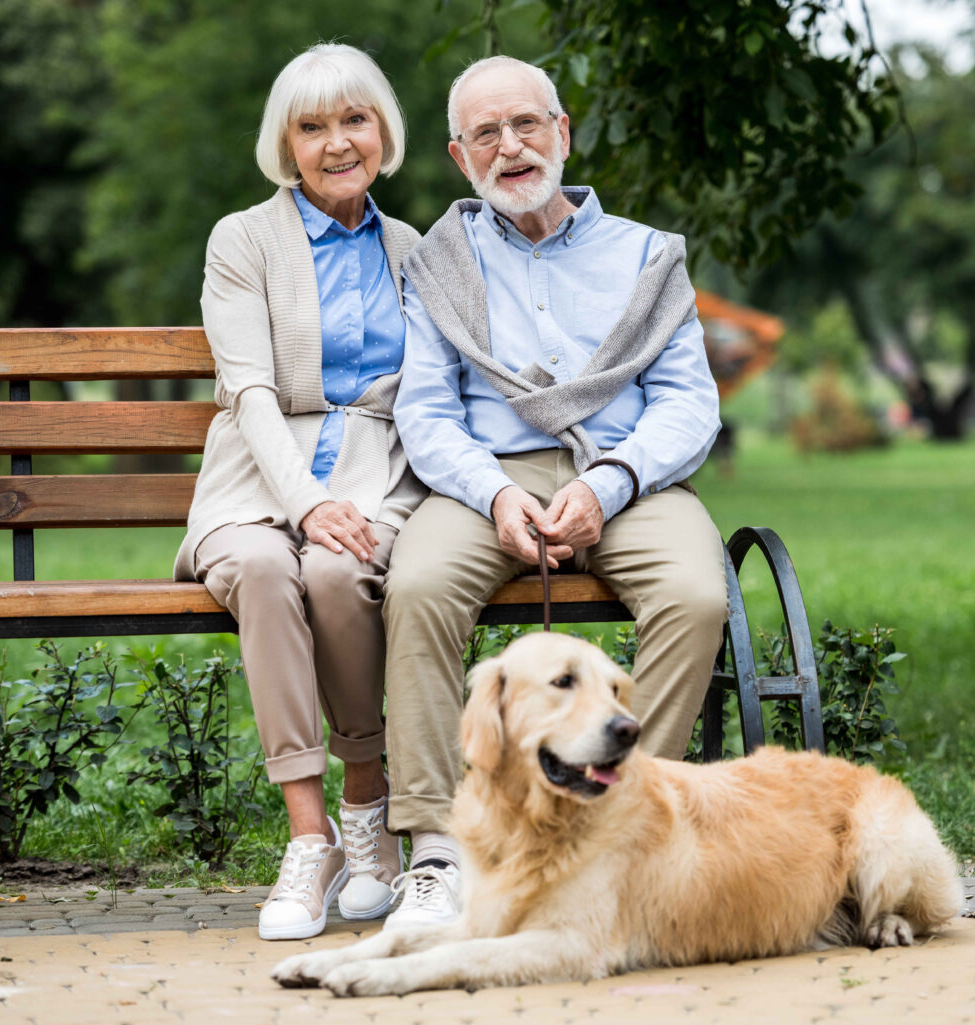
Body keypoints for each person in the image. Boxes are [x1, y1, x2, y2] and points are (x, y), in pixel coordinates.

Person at [382, 55, 729, 923]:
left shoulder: (647, 257)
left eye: (527, 124)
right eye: (486, 135)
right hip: (485, 481)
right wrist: (494, 495)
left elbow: (691, 402)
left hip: (628, 475)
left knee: (694, 593)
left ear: (563, 132)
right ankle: (437, 849)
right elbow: (425, 412)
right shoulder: (439, 263)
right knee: (417, 585)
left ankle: (624, 818)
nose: (511, 148)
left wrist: (610, 483)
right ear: (461, 158)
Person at [173, 43, 427, 941]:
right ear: (286, 142)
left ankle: (369, 805)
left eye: (353, 120)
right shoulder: (243, 240)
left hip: (377, 479)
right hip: (252, 478)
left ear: (382, 132)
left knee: (332, 572)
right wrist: (304, 499)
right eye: (312, 126)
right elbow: (244, 387)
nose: (336, 143)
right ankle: (310, 835)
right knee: (265, 566)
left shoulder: (414, 250)